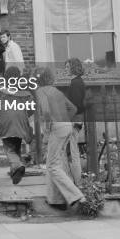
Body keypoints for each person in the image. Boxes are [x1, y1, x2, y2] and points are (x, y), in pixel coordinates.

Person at [34, 67, 87, 213]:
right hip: (67, 127)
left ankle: (76, 195)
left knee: (52, 165)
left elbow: (45, 111)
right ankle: (56, 199)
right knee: (57, 162)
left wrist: (48, 129)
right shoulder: (56, 91)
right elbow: (73, 109)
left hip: (56, 128)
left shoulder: (40, 91)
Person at [0, 67, 33, 185]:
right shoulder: (24, 89)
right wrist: (25, 115)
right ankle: (15, 173)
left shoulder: (0, 88)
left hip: (6, 119)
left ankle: (17, 166)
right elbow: (31, 106)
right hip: (21, 119)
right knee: (16, 145)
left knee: (9, 148)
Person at [64, 58, 87, 185]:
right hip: (75, 119)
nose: (66, 69)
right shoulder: (76, 82)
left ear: (74, 67)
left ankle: (77, 181)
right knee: (71, 150)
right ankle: (73, 179)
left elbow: (77, 104)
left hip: (75, 120)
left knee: (73, 151)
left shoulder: (76, 83)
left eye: (68, 67)